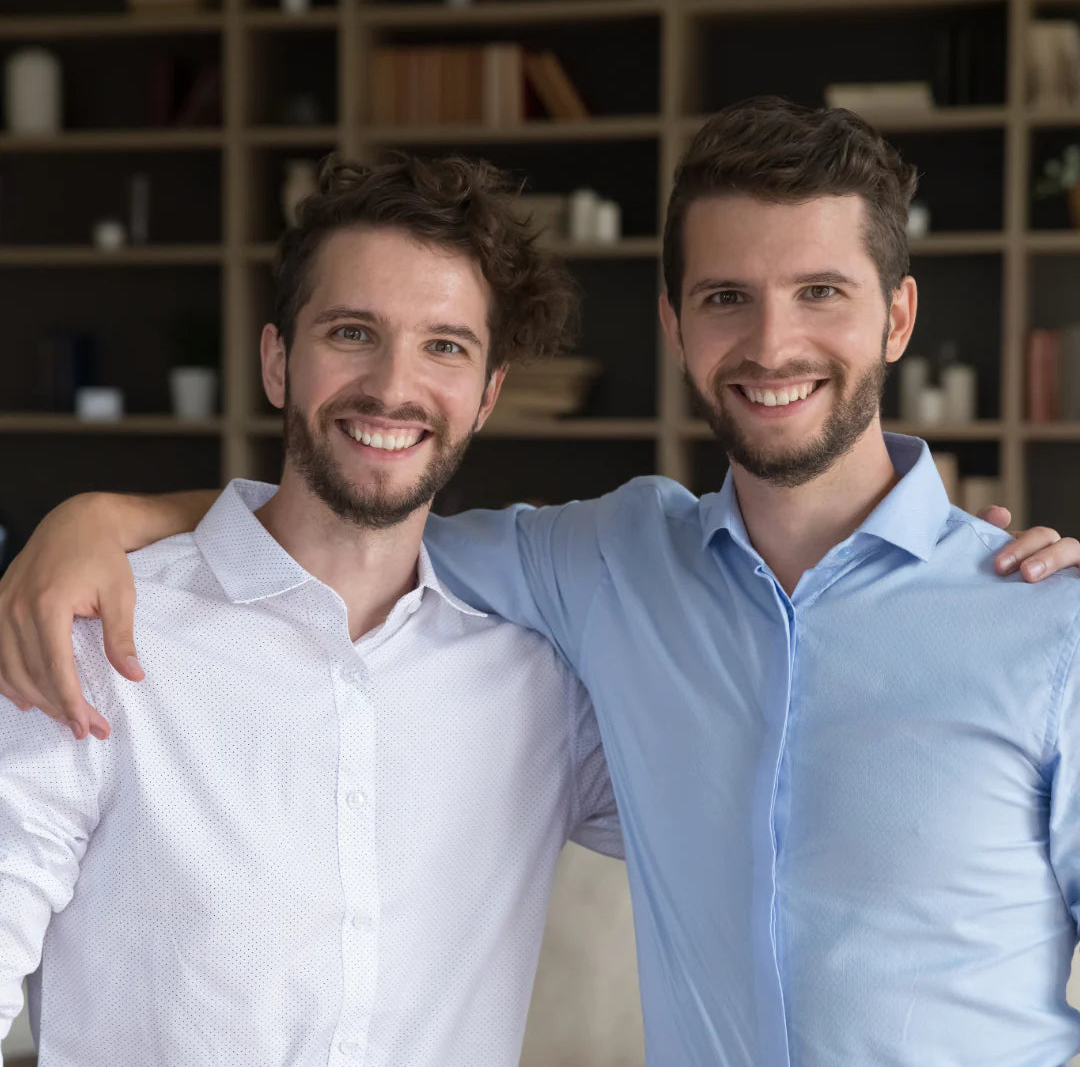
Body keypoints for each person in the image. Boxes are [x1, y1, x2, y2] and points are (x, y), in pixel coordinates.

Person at [4, 98, 1080, 1063]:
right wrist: (99, 519)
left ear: (897, 317)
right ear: (675, 327)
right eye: (724, 297)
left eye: (820, 292)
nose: (772, 341)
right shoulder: (608, 565)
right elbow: (351, 512)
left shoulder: (1042, 620)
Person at [0, 153, 621, 1066]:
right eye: (351, 332)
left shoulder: (541, 681)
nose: (393, 386)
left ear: (487, 396)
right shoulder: (97, 634)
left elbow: (758, 830)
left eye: (444, 346)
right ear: (277, 361)